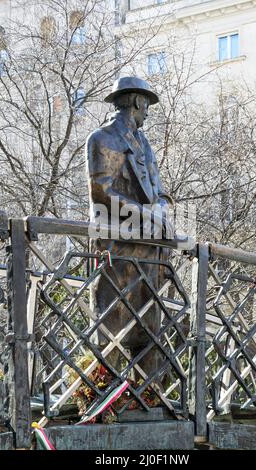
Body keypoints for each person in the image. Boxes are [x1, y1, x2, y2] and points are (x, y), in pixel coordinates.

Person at [86, 76, 173, 378]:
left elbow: (158, 190)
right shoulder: (103, 138)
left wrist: (161, 210)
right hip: (117, 244)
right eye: (146, 104)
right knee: (111, 322)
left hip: (150, 249)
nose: (148, 111)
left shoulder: (144, 143)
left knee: (149, 326)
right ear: (137, 102)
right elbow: (102, 192)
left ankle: (148, 395)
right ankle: (101, 397)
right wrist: (148, 216)